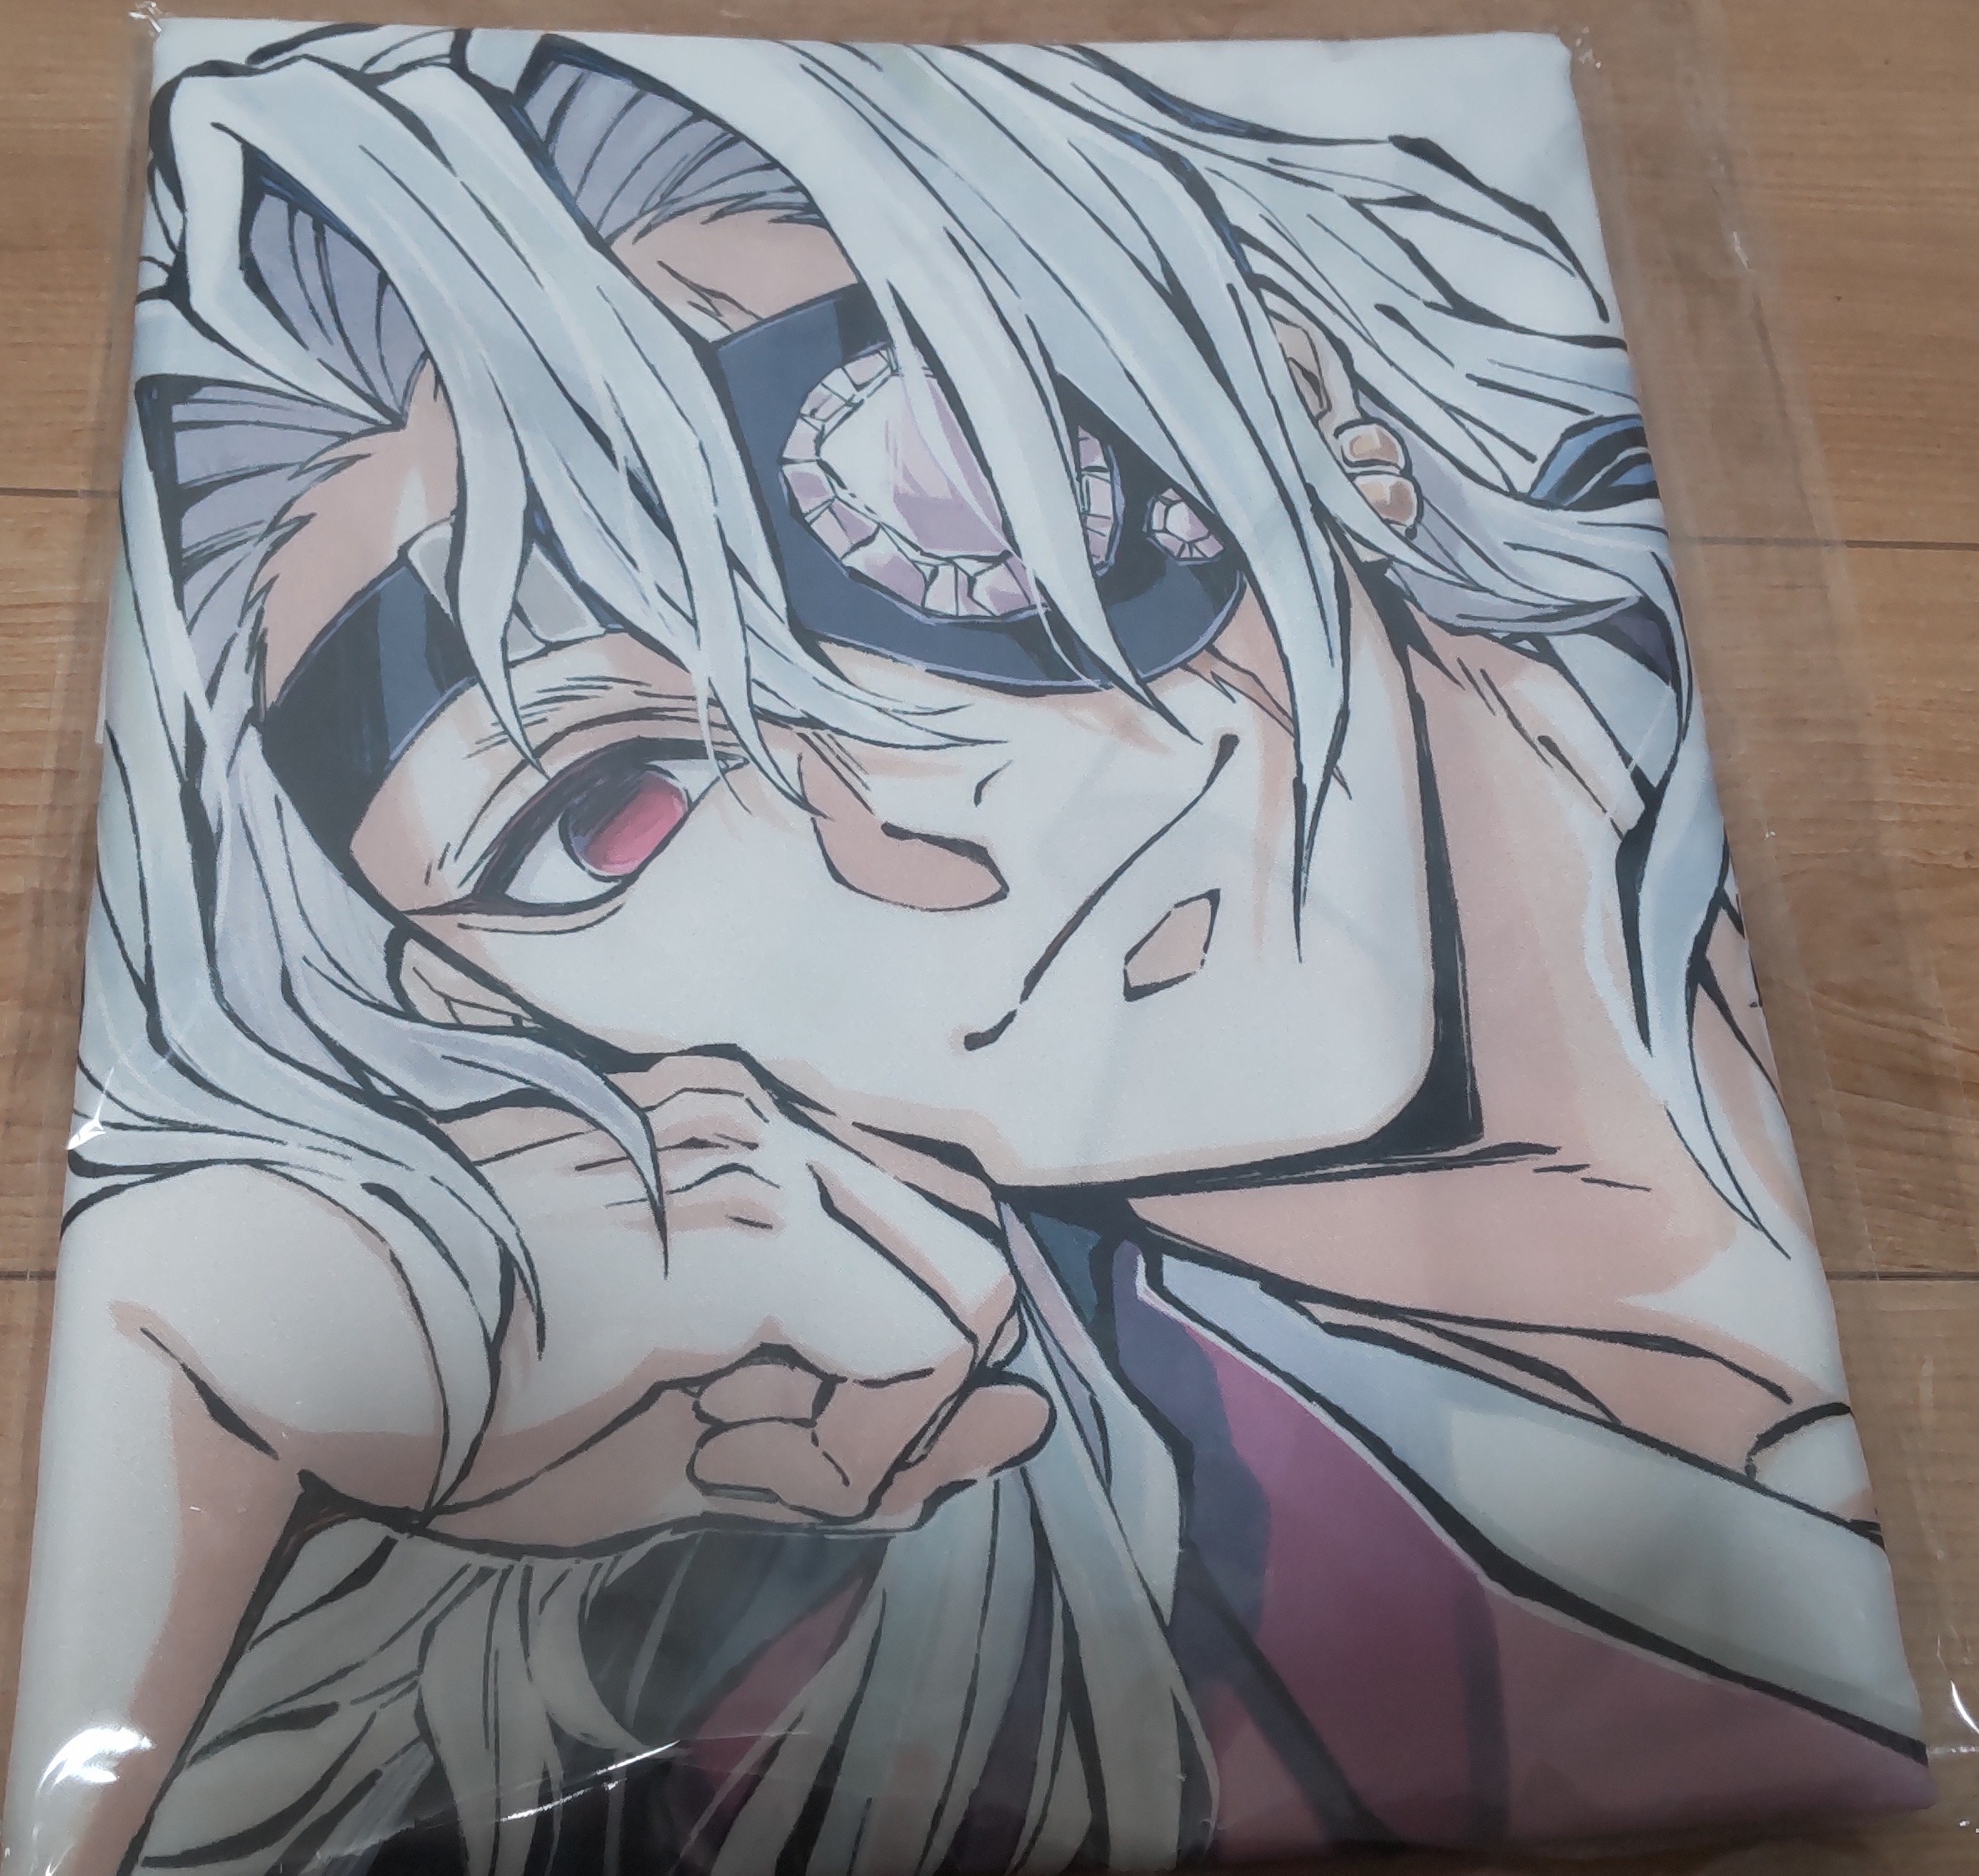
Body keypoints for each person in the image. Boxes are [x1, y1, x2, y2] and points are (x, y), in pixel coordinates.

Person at [5, 26, 1928, 1876]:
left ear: (1280, 374)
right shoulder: (894, 1572)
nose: (920, 825)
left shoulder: (1815, 813)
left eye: (921, 494)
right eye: (606, 811)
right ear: (472, 993)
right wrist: (190, 1348)